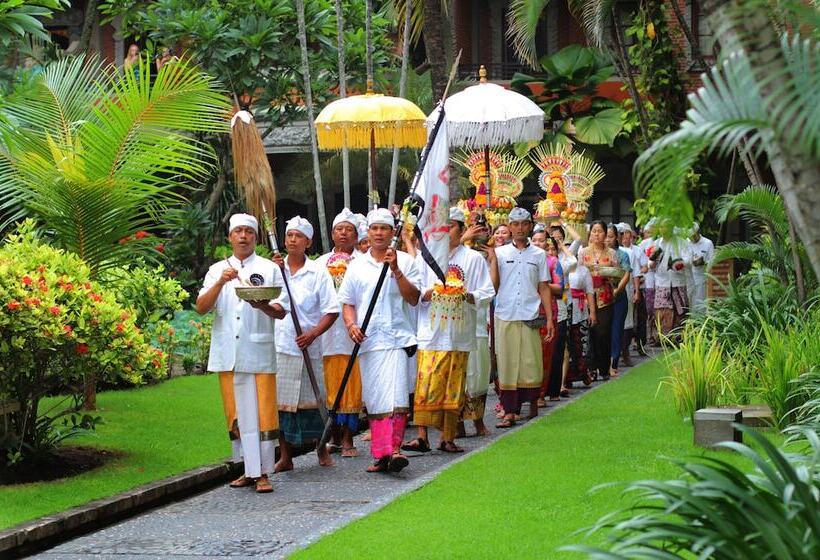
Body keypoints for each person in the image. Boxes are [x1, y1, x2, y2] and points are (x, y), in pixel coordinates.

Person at [196, 213, 288, 494]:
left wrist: (262, 306)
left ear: (255, 237)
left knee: (261, 413)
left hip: (258, 350)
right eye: (239, 232)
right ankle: (249, 470)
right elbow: (201, 307)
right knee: (236, 413)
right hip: (228, 353)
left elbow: (281, 310)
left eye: (249, 231)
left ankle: (263, 474)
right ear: (230, 237)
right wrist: (220, 283)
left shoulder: (268, 268)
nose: (243, 236)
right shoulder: (217, 270)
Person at [404, 208, 494, 453]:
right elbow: (416, 290)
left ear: (462, 230)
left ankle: (448, 437)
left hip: (459, 334)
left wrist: (466, 295)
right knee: (426, 385)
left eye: (451, 226)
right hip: (430, 332)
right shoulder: (426, 257)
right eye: (441, 227)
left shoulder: (473, 259)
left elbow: (486, 292)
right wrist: (429, 293)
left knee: (454, 387)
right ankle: (422, 436)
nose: (445, 231)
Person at [338, 208, 422, 473]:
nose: (378, 233)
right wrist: (351, 325)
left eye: (384, 228)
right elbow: (347, 302)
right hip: (370, 341)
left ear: (391, 233)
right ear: (368, 232)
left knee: (396, 394)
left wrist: (396, 269)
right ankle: (381, 454)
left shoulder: (407, 261)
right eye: (374, 228)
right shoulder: (357, 266)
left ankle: (395, 450)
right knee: (375, 399)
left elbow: (413, 298)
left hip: (397, 339)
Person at [271, 216, 339, 472]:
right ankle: (286, 456)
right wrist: (274, 270)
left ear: (308, 242)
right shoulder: (275, 270)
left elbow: (331, 310)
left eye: (298, 236)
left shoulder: (318, 272)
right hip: (283, 345)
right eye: (289, 235)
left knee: (315, 401)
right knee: (283, 404)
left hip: (309, 347)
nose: (292, 240)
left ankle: (320, 447)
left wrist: (312, 334)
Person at [488, 208, 554, 428]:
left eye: (523, 224)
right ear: (509, 226)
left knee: (530, 361)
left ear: (530, 225)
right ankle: (509, 411)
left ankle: (532, 403)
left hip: (529, 312)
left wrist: (550, 318)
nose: (518, 229)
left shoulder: (539, 254)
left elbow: (544, 286)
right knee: (506, 362)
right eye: (514, 224)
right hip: (505, 312)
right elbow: (493, 287)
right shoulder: (500, 253)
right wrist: (492, 262)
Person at [315, 209, 364, 458]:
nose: (343, 233)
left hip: (353, 334)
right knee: (330, 388)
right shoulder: (319, 263)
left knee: (352, 387)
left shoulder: (364, 262)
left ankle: (348, 439)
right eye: (339, 229)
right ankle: (333, 436)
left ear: (356, 235)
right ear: (332, 233)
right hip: (326, 336)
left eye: (348, 229)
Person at [579, 221, 620, 381]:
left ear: (605, 234)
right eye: (594, 231)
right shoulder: (583, 252)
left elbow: (617, 275)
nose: (597, 234)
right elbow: (579, 273)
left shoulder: (611, 253)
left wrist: (609, 274)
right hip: (587, 296)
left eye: (600, 231)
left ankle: (604, 367)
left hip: (605, 295)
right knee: (590, 333)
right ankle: (592, 367)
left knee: (603, 332)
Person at [531, 231, 563, 404]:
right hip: (527, 312)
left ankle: (541, 393)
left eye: (541, 240)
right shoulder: (525, 260)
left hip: (547, 312)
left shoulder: (552, 261)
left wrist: (542, 283)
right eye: (534, 240)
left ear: (547, 243)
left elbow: (560, 287)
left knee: (545, 354)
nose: (537, 243)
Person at [652, 230, 692, 337]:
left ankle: (680, 337)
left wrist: (678, 264)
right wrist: (652, 261)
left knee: (681, 311)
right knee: (662, 311)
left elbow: (688, 259)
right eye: (662, 227)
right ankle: (664, 338)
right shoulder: (657, 243)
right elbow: (650, 263)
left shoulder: (682, 243)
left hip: (678, 282)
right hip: (662, 283)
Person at [607, 225, 633, 377]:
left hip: (618, 295)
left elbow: (626, 274)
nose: (608, 239)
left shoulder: (622, 255)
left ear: (616, 237)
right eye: (606, 236)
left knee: (616, 329)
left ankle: (614, 360)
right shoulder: (599, 254)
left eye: (611, 236)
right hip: (602, 296)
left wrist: (617, 290)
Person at [566, 254, 596, 386]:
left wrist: (592, 312)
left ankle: (584, 373)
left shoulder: (583, 270)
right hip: (565, 308)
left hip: (580, 310)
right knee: (567, 345)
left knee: (581, 344)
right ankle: (566, 377)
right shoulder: (561, 266)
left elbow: (589, 291)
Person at [638, 220, 658, 346]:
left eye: (652, 232)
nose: (649, 234)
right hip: (648, 279)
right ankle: (650, 334)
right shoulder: (643, 244)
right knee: (649, 309)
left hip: (661, 278)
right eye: (647, 232)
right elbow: (641, 263)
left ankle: (658, 335)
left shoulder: (660, 242)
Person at [688, 223, 714, 312]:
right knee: (688, 307)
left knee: (700, 306)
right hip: (687, 279)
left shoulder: (708, 243)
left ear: (698, 232)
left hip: (701, 279)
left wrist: (702, 262)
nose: (692, 238)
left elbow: (712, 263)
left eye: (694, 236)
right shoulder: (686, 243)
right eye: (690, 236)